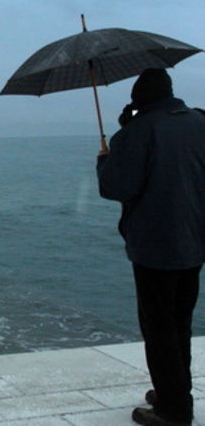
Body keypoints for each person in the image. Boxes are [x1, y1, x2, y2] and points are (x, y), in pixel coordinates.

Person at [97, 68, 205, 426]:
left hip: (156, 245)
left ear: (138, 100)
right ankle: (175, 390)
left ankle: (173, 411)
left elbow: (117, 187)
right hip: (195, 240)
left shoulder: (136, 132)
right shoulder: (199, 121)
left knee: (159, 328)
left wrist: (109, 154)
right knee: (180, 323)